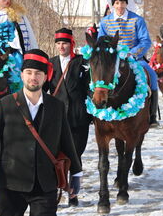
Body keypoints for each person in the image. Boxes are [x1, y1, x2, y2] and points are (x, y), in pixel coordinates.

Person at [0, 49, 82, 216]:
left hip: (45, 185)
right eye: (29, 72)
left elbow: (66, 140)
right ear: (22, 75)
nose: (33, 77)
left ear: (46, 77)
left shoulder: (56, 106)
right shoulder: (5, 105)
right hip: (10, 185)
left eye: (38, 73)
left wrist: (76, 172)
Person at [98, 0, 159, 127]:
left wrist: (132, 53)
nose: (120, 6)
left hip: (134, 60)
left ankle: (152, 114)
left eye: (122, 2)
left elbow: (145, 41)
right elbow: (101, 42)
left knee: (152, 76)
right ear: (113, 4)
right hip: (112, 61)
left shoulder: (137, 20)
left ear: (126, 3)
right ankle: (96, 111)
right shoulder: (105, 22)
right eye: (117, 3)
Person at [44, 28, 92, 207]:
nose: (61, 46)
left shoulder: (81, 62)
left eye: (64, 43)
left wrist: (93, 112)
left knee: (76, 155)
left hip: (78, 117)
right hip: (56, 118)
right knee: (55, 156)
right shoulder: (50, 63)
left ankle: (73, 192)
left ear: (71, 43)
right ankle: (55, 191)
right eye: (58, 43)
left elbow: (89, 88)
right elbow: (44, 91)